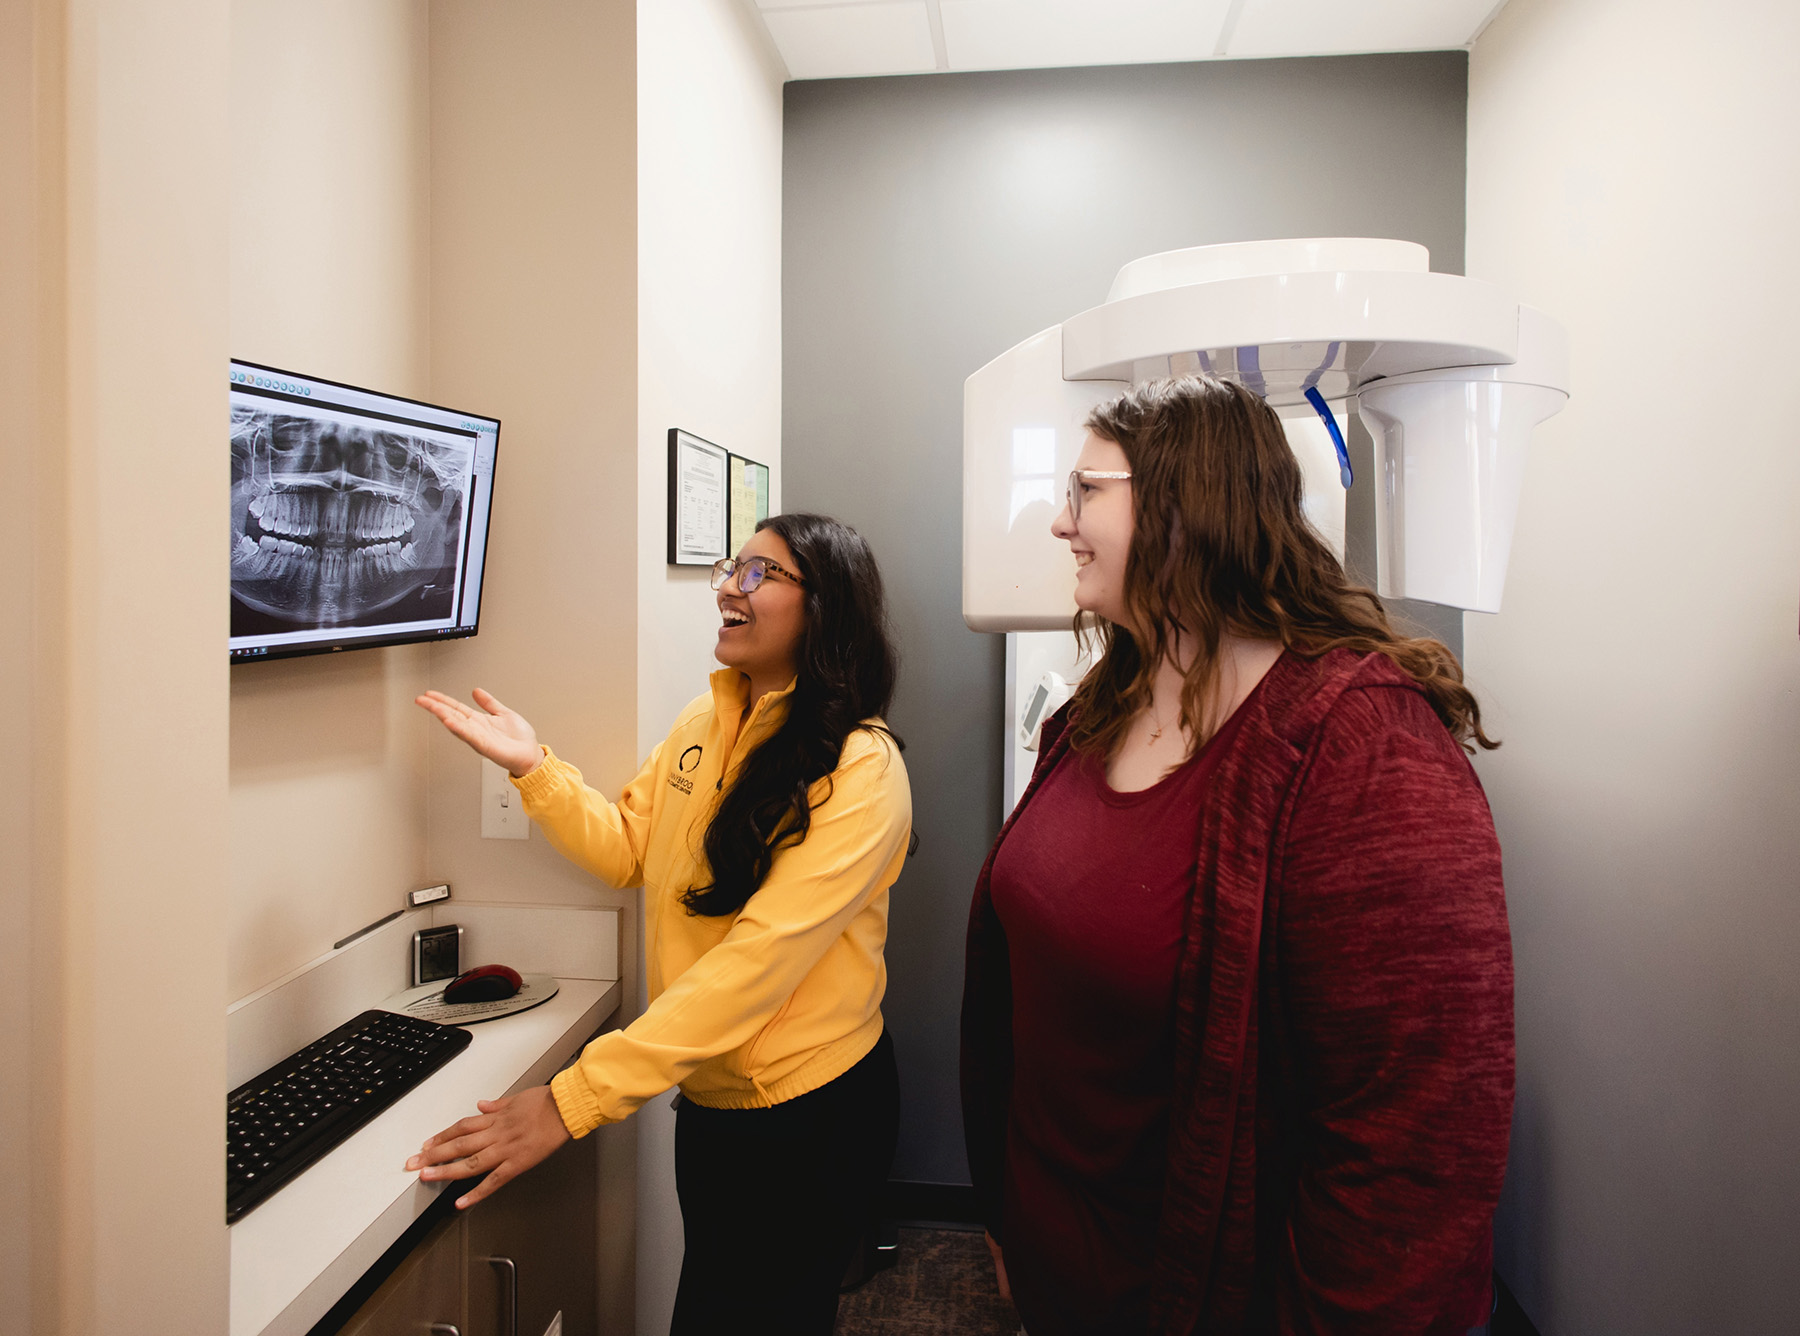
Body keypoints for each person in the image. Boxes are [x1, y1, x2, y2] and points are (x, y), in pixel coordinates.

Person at [961, 376, 1514, 1336]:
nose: (1060, 523)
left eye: (1085, 490)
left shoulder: (1363, 748)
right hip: (1056, 1262)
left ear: (1184, 500)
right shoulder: (1102, 704)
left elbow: (1413, 1150)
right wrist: (1007, 1222)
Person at [410, 512, 911, 1335]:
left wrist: (572, 1099)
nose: (727, 587)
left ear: (823, 607)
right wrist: (536, 770)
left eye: (758, 574)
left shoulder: (862, 768)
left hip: (808, 1113)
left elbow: (754, 965)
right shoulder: (703, 723)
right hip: (713, 1099)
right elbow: (628, 849)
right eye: (730, 568)